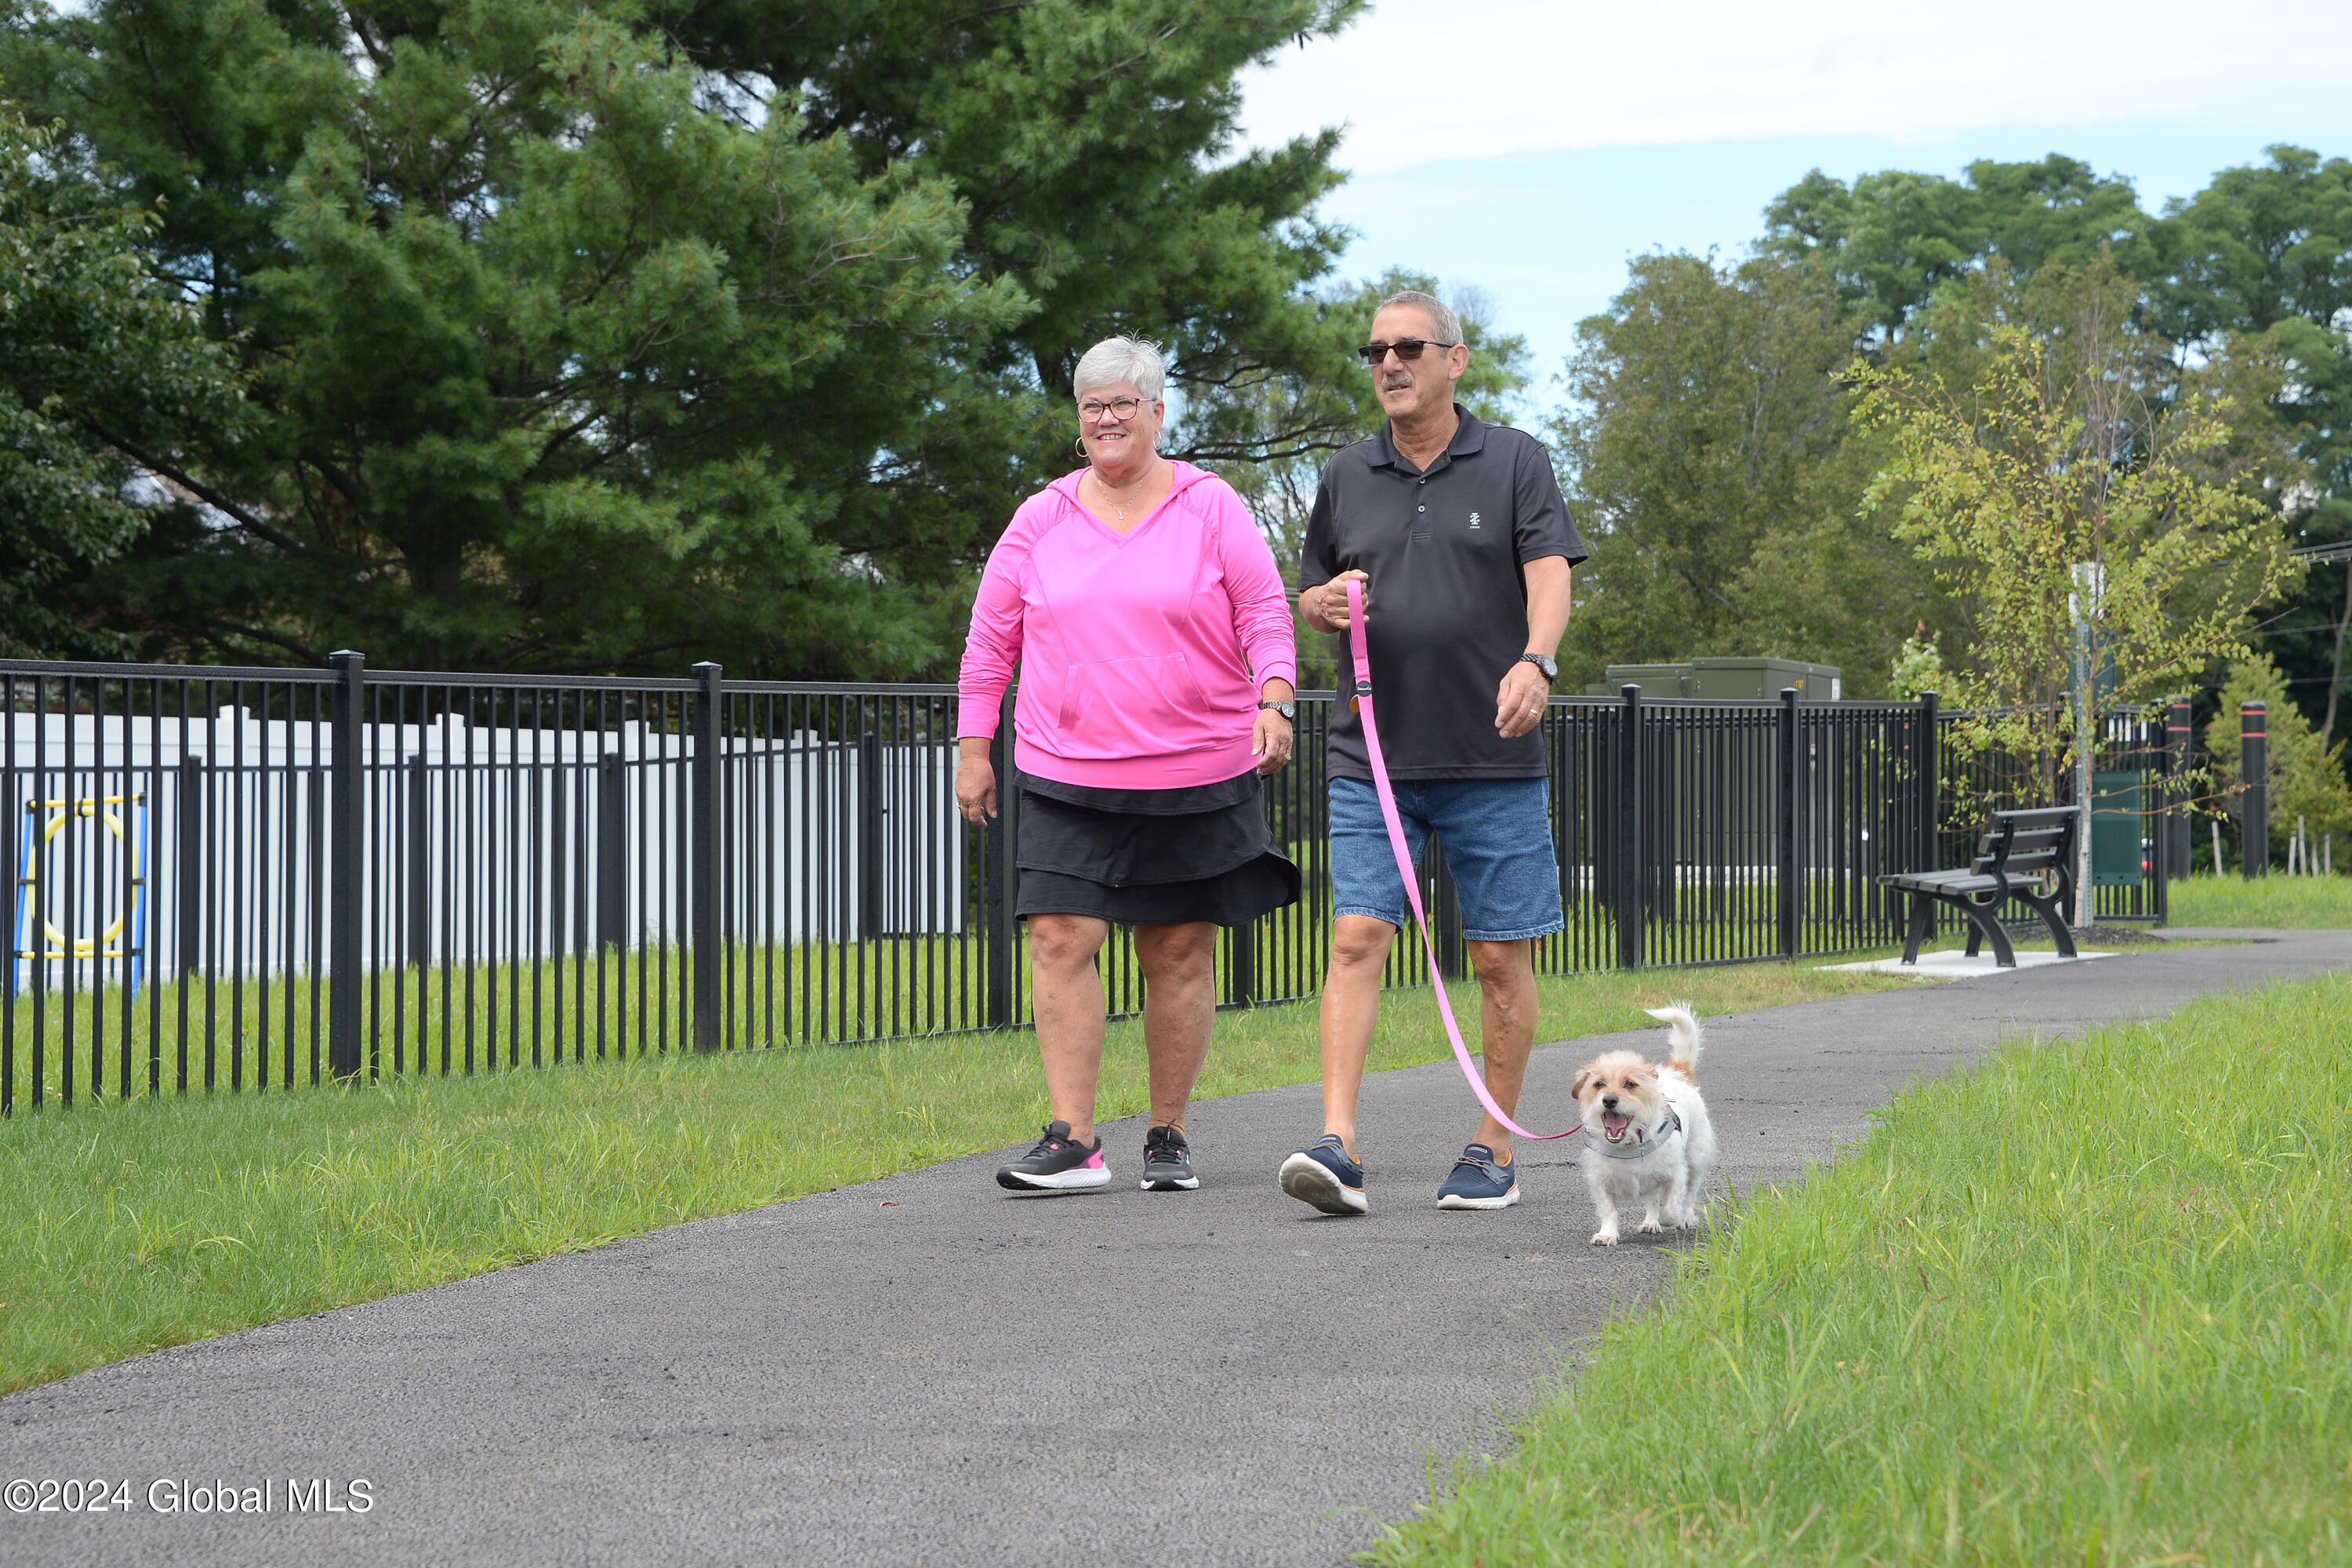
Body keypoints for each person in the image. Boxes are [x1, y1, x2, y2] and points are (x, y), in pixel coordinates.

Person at [956, 336, 1301, 1195]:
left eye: (1122, 403)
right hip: (1064, 765)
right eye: (1092, 405)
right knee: (1057, 935)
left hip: (1194, 766)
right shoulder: (1041, 517)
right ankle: (1073, 1139)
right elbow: (990, 640)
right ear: (1079, 420)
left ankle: (1167, 1134)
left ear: (1156, 412)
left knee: (1176, 948)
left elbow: (1263, 609)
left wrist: (1276, 698)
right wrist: (973, 746)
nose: (1107, 418)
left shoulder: (1209, 504)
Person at [1278, 290, 1586, 1215]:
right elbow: (1313, 591)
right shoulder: (1346, 473)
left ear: (1456, 358)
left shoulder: (1516, 460)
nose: (1389, 363)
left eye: (1409, 347)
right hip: (1372, 755)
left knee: (1497, 956)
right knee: (1356, 936)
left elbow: (1550, 574)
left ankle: (1493, 1147)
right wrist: (1317, 604)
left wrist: (1537, 660)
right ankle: (1336, 1144)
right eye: (1375, 350)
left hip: (1493, 755)